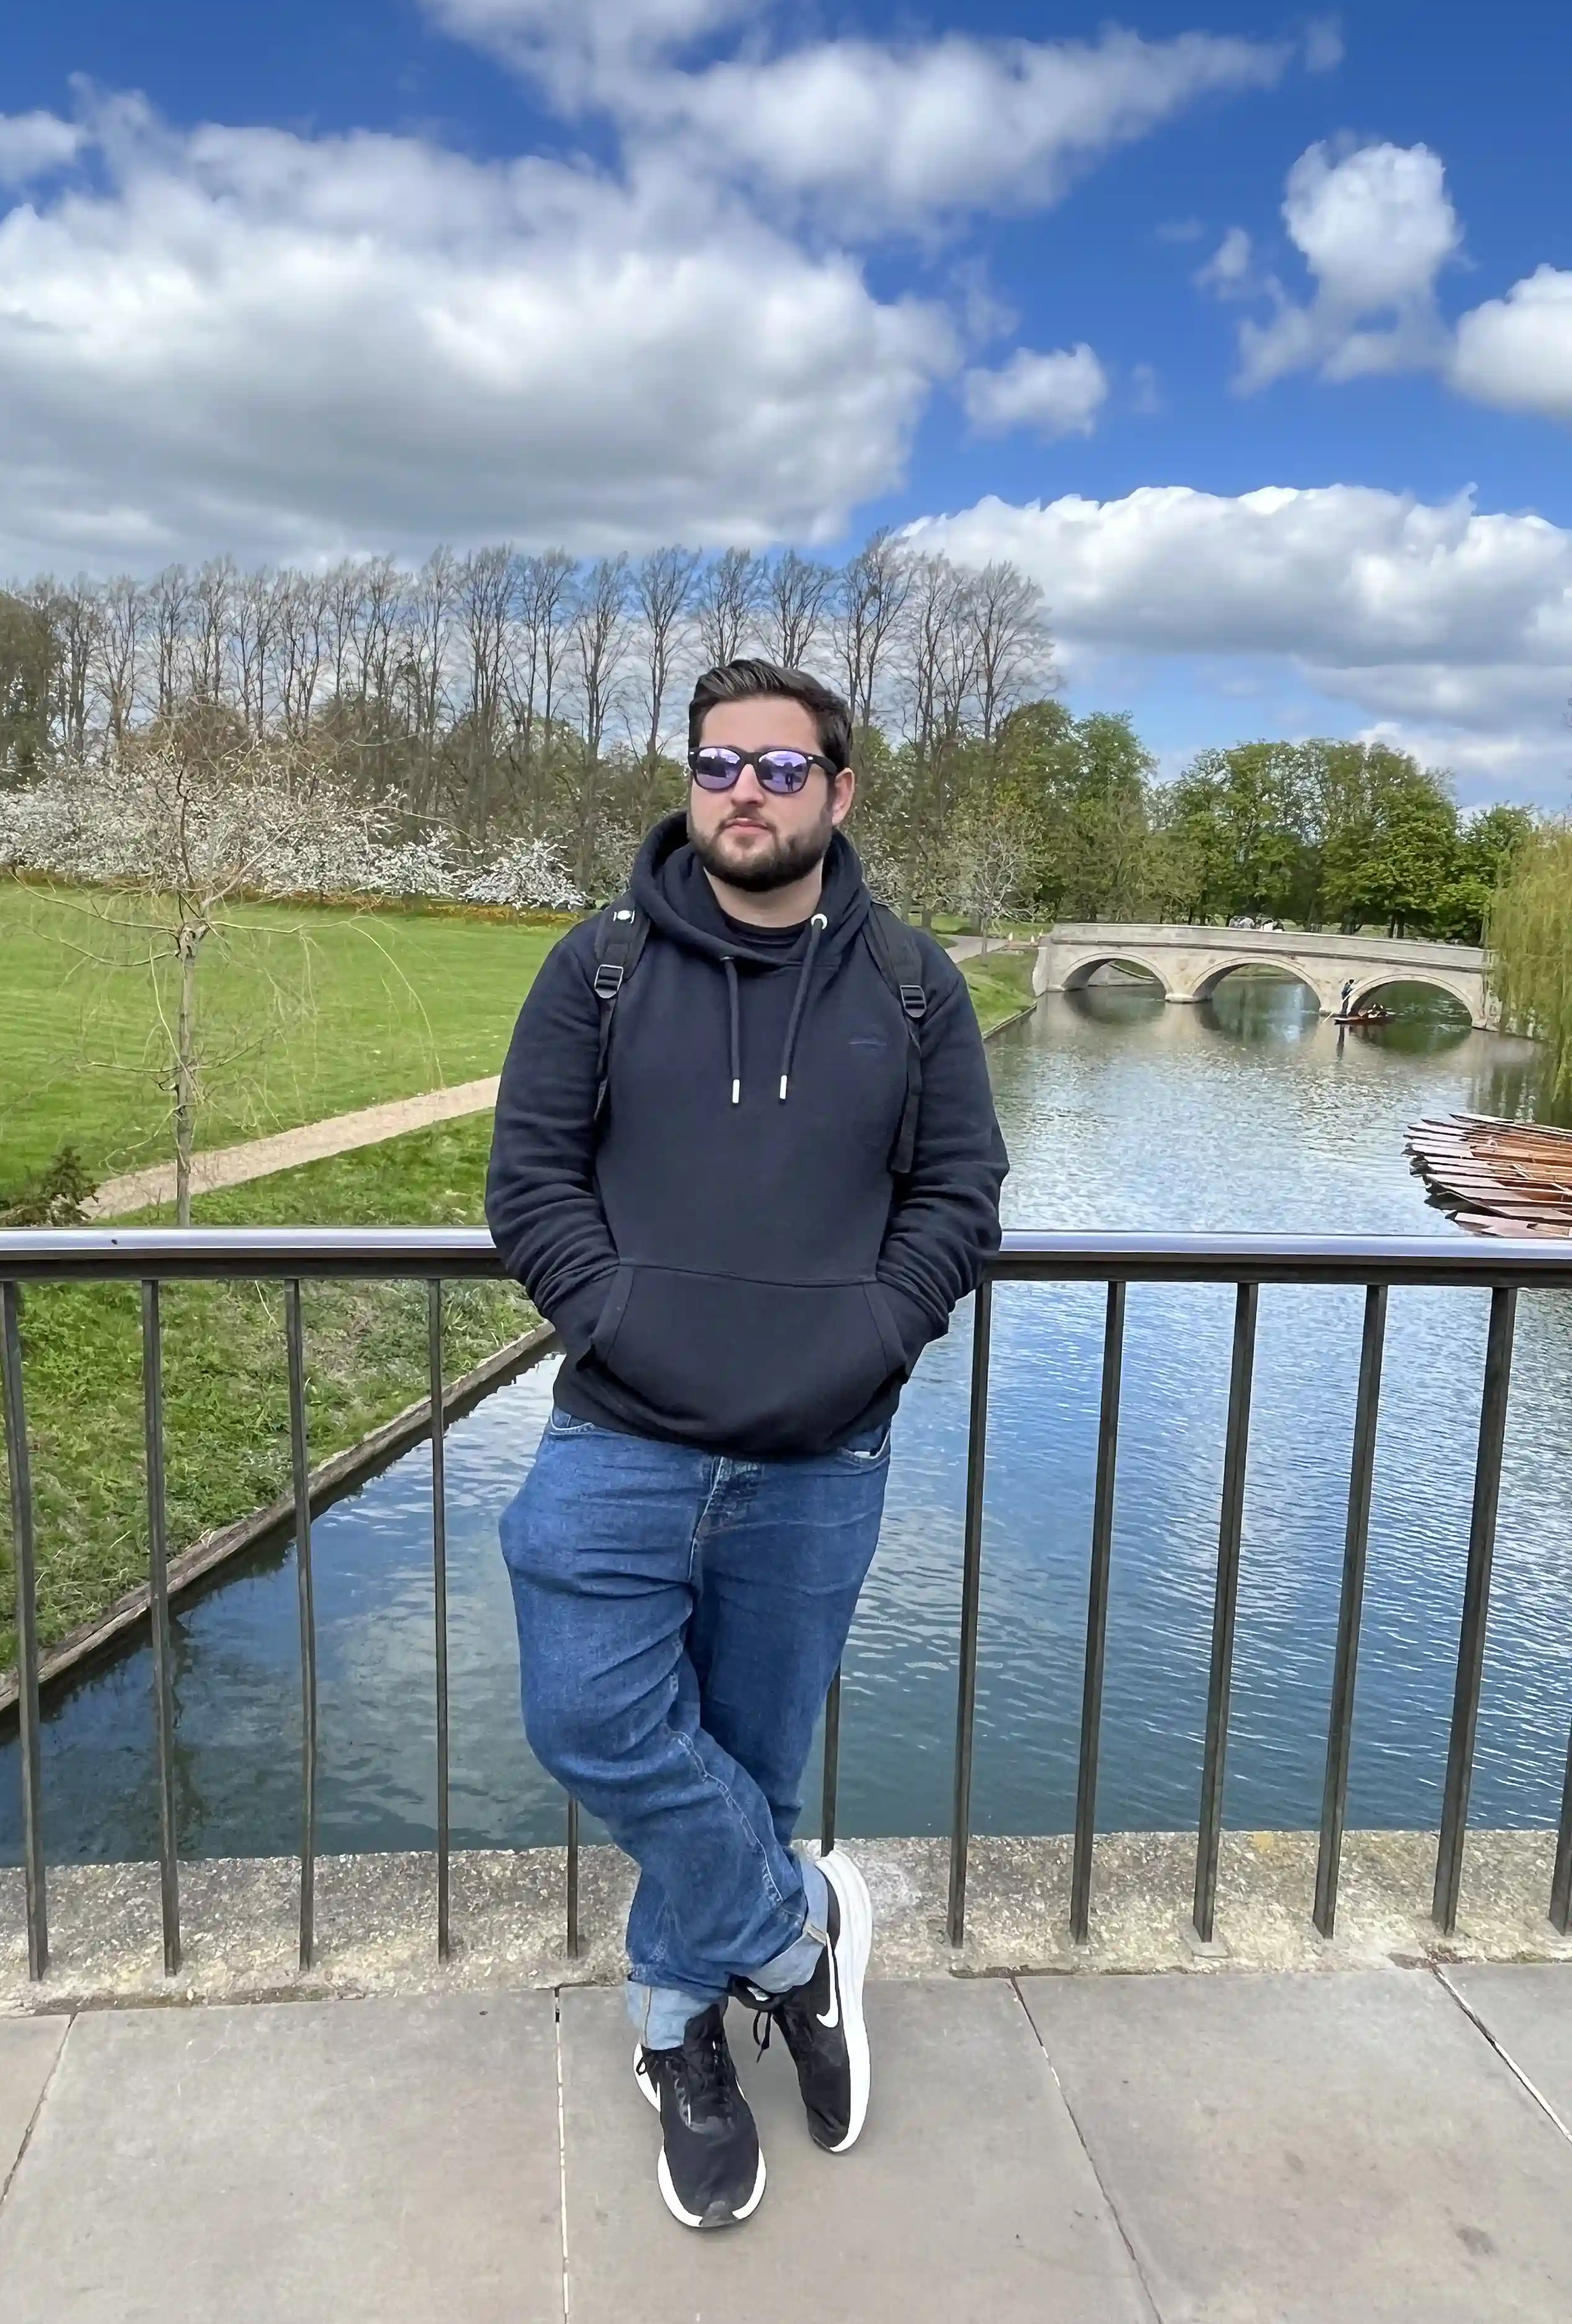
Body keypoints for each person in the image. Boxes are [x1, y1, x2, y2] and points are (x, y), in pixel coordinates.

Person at [486, 658, 1008, 2231]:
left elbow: (960, 1198)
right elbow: (529, 1185)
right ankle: (797, 1947)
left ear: (840, 795)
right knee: (593, 1722)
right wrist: (626, 1323)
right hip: (619, 1437)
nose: (748, 795)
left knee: (751, 1763)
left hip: (823, 1460)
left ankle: (678, 2033)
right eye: (721, 766)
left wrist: (862, 1339)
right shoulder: (596, 968)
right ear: (690, 781)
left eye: (785, 771)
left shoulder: (915, 985)